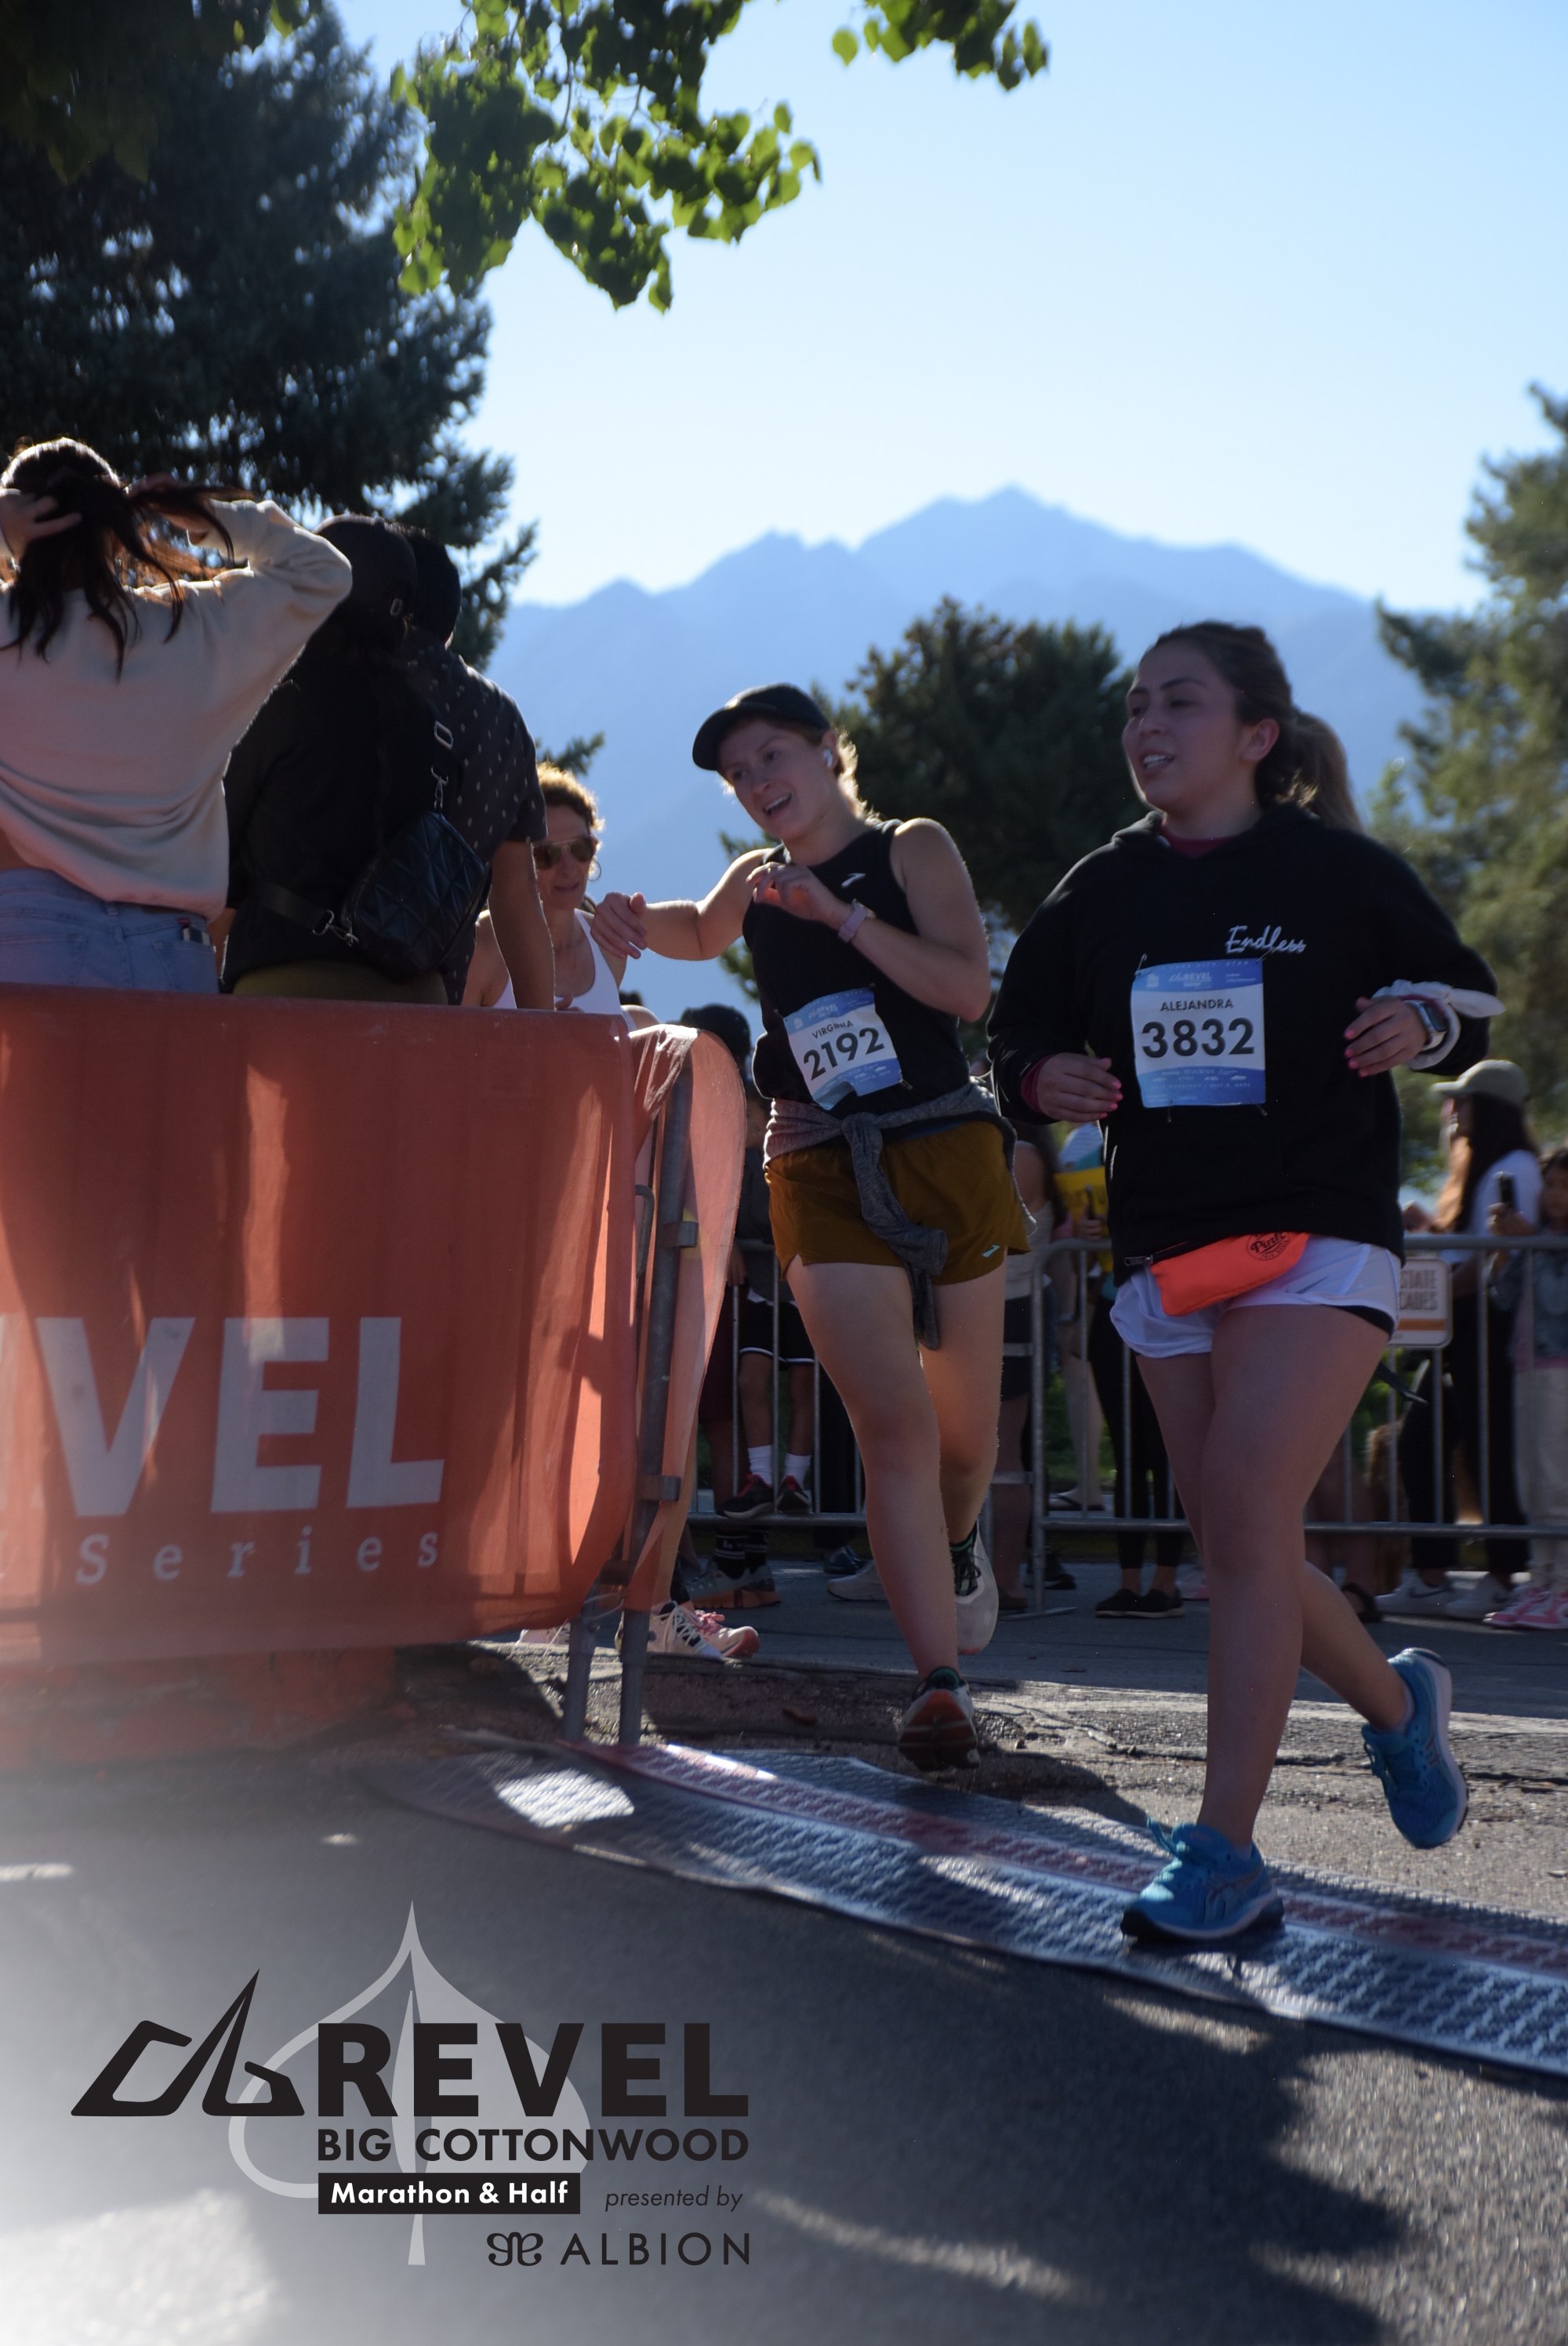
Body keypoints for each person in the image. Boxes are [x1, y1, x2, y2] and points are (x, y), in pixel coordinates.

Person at [990, 619, 1497, 1944]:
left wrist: (1423, 1020)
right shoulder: (1102, 889)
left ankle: (1223, 1852)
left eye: (1181, 702)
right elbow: (1015, 1028)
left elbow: (1469, 996)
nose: (1147, 724)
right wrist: (1042, 1075)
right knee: (1239, 1544)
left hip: (1318, 1232)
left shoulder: (1335, 871)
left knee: (1246, 1507)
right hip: (1170, 1246)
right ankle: (1399, 1706)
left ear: (1257, 735)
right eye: (1134, 705)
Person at [592, 683, 1026, 1768]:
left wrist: (841, 918)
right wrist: (628, 921)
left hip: (942, 1139)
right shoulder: (755, 881)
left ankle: (958, 1542)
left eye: (772, 756)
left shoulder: (909, 848)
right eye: (738, 774)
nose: (757, 783)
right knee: (893, 1426)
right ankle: (937, 1684)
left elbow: (967, 990)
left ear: (830, 752)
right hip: (816, 1153)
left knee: (965, 1441)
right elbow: (698, 929)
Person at [0, 438, 350, 988]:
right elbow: (322, 573)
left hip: (29, 936)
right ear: (114, 526)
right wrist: (212, 518)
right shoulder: (191, 626)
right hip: (171, 947)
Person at [222, 517, 479, 1003]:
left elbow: (215, 865)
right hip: (418, 998)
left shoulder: (277, 703)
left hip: (289, 991)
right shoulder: (435, 728)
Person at [1394, 1061, 1538, 1618]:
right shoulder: (1484, 1165)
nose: (1454, 1110)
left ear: (1491, 1108)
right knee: (1421, 1442)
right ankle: (1431, 1577)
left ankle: (1502, 1576)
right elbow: (1471, 1249)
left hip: (1488, 1326)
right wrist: (1430, 1230)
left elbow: (1492, 1259)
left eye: (1465, 1100)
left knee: (1487, 1450)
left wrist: (1426, 1299)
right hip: (1460, 1326)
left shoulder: (1514, 1166)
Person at [395, 528, 553, 1013]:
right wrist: (545, 1036)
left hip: (290, 992)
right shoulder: (500, 719)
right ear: (450, 623)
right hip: (433, 997)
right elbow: (517, 897)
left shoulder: (323, 684)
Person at [469, 770, 627, 1018]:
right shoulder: (481, 947)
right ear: (517, 860)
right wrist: (543, 1034)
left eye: (580, 848)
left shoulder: (607, 947)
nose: (568, 868)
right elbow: (446, 1041)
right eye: (546, 855)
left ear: (594, 846)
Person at [1486, 1146, 1568, 1628]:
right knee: (1533, 1483)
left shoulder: (1551, 1243)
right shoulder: (1544, 1238)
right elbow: (1504, 1295)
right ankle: (1541, 1580)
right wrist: (1507, 1247)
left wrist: (1531, 1242)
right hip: (1529, 1366)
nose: (1555, 1195)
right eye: (1551, 1185)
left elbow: (1557, 1300)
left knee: (1557, 1481)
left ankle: (1563, 1586)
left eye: (1566, 1187)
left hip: (1559, 1369)